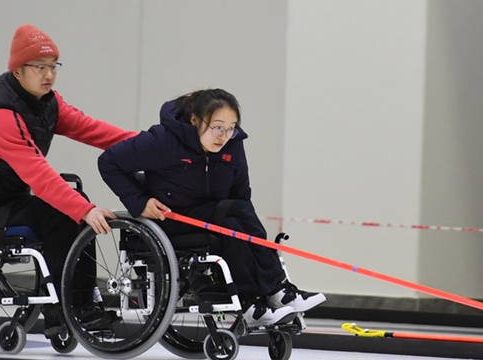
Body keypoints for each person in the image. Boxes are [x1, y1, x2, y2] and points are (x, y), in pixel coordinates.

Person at [0, 24, 138, 338]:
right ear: (18, 71)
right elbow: (37, 173)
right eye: (39, 67)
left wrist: (149, 147)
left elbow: (94, 130)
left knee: (73, 209)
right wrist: (84, 209)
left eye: (53, 67)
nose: (48, 75)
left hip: (9, 197)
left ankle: (75, 307)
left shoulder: (46, 102)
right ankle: (69, 310)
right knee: (67, 214)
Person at [98, 88, 325, 327]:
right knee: (233, 219)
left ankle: (260, 299)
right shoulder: (162, 141)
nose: (224, 136)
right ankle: (274, 292)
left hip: (213, 217)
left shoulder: (233, 145)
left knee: (235, 222)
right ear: (195, 120)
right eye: (217, 127)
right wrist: (140, 202)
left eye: (231, 128)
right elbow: (108, 162)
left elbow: (241, 195)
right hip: (171, 219)